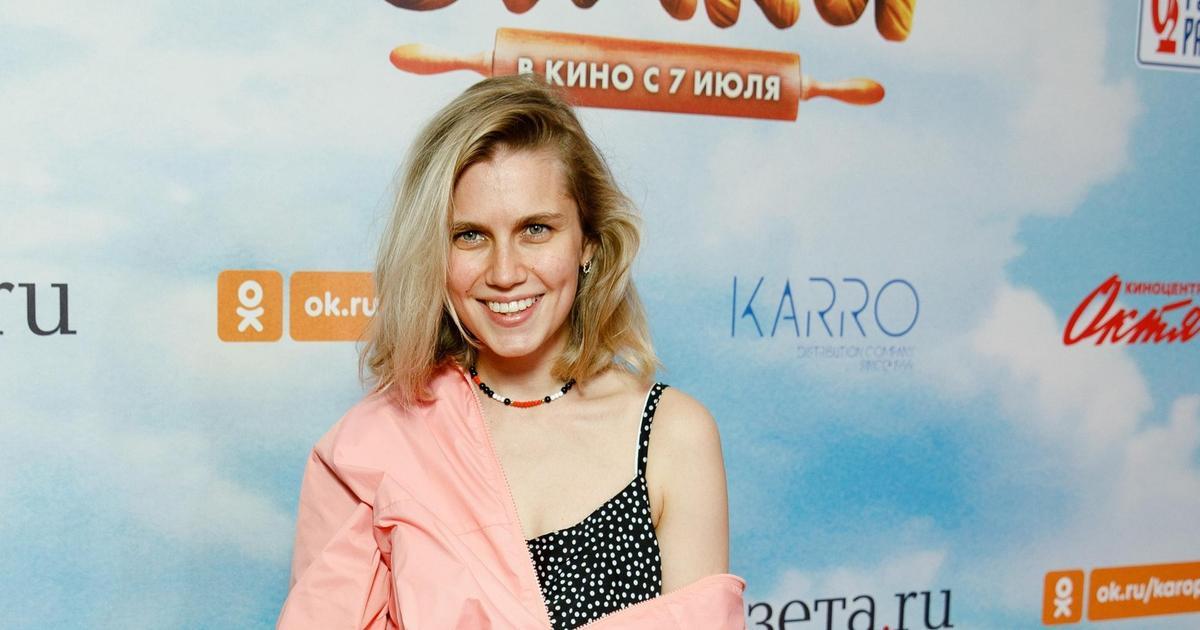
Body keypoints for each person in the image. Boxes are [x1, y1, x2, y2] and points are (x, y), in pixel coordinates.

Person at [277, 73, 747, 630]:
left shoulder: (674, 435)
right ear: (434, 254)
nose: (505, 272)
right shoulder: (369, 449)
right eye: (470, 236)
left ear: (588, 241)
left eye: (536, 229)